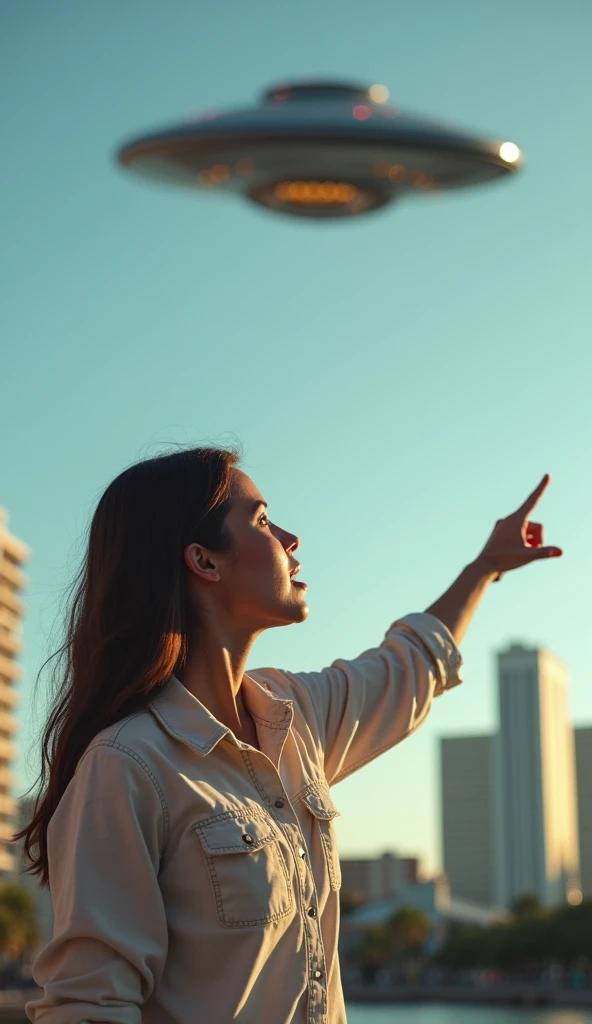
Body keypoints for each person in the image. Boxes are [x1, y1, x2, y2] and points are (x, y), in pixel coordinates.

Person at [18, 446, 562, 1024]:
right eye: (260, 519)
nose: (290, 537)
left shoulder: (294, 715)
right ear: (204, 560)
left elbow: (409, 667)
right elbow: (89, 1006)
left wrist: (485, 567)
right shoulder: (126, 765)